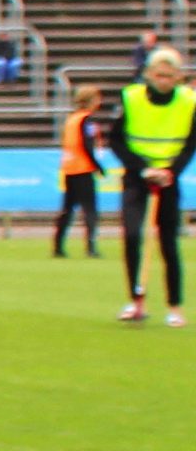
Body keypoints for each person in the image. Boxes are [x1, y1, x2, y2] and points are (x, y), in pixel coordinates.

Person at [111, 47, 194, 325]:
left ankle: (174, 306)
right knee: (133, 235)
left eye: (169, 76)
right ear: (148, 74)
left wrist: (171, 171)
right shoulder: (131, 98)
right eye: (159, 75)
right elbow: (116, 140)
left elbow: (191, 143)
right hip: (138, 175)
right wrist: (142, 168)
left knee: (168, 242)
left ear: (178, 77)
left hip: (168, 177)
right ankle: (135, 301)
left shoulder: (188, 102)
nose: (163, 80)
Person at [55, 86, 104, 259]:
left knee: (67, 209)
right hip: (83, 168)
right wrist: (98, 165)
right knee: (90, 209)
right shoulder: (86, 120)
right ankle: (91, 247)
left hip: (69, 168)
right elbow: (87, 144)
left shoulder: (71, 119)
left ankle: (58, 246)